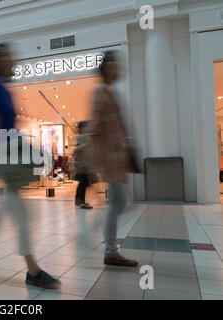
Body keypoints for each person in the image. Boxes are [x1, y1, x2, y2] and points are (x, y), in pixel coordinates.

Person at [0, 44, 61, 289]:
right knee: (20, 213)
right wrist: (4, 152)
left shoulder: (3, 87)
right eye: (3, 57)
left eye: (9, 56)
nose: (9, 60)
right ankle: (33, 270)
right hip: (7, 153)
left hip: (10, 150)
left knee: (5, 212)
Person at [87, 51, 138, 267]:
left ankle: (109, 247)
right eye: (115, 63)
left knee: (119, 202)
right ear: (107, 67)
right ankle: (108, 249)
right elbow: (95, 127)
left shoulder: (108, 91)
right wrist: (91, 162)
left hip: (116, 157)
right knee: (118, 203)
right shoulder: (101, 92)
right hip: (110, 158)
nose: (118, 67)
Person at [74, 121, 93, 209]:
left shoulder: (83, 137)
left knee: (84, 182)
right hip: (82, 165)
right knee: (82, 182)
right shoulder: (81, 138)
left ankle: (81, 201)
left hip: (84, 165)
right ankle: (80, 201)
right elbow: (78, 150)